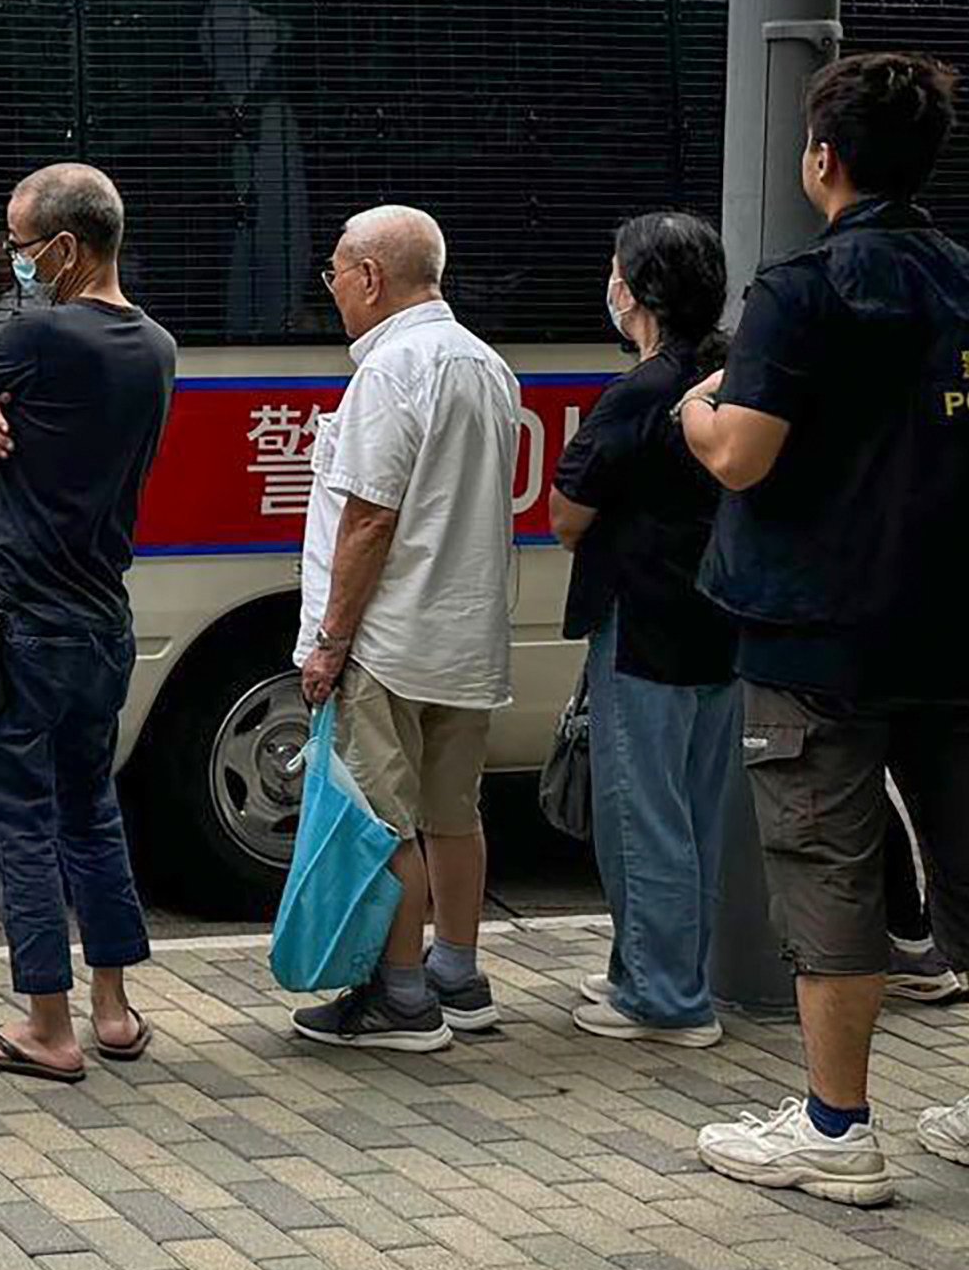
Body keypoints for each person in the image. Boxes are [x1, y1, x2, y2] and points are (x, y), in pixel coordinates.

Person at [682, 51, 969, 1206]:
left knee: (830, 873)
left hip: (820, 640)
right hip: (965, 632)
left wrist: (698, 409)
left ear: (823, 159)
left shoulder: (799, 291)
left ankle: (835, 1128)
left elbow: (744, 455)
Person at [0, 163, 175, 1083]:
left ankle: (46, 1026)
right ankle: (112, 1012)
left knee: (22, 822)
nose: (13, 264)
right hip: (103, 619)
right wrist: (3, 405)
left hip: (22, 621)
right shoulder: (155, 343)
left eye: (22, 247)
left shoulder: (39, 331)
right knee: (92, 812)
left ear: (66, 248)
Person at [288, 205, 522, 1055]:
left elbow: (368, 522)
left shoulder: (392, 370)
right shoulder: (487, 365)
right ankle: (458, 973)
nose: (335, 291)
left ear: (371, 277)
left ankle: (402, 998)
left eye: (336, 275)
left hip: (388, 637)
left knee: (382, 820)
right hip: (465, 634)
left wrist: (330, 640)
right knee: (454, 813)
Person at [547, 212, 736, 1048]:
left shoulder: (641, 391)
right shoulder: (731, 374)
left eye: (617, 270)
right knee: (695, 811)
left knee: (643, 812)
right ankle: (658, 970)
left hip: (646, 621)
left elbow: (568, 514)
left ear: (639, 291)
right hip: (721, 622)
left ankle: (662, 997)